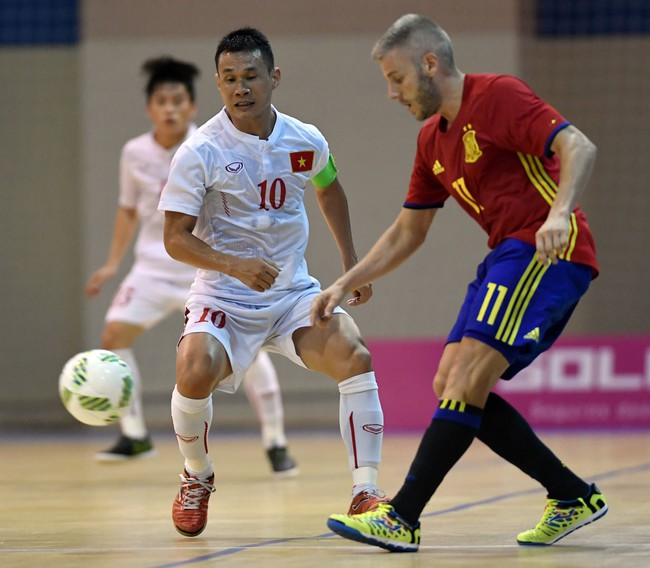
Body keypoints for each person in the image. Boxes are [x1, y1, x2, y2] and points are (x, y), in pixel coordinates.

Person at [315, 14, 608, 553]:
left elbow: (579, 147)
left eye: (397, 78)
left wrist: (560, 212)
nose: (391, 94)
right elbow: (409, 231)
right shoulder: (431, 140)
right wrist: (343, 283)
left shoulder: (497, 95)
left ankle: (401, 517)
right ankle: (570, 495)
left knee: (466, 377)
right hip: (507, 254)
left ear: (430, 64)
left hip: (548, 249)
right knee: (451, 380)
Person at [158, 28, 386, 538]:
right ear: (218, 84)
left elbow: (329, 190)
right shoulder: (200, 151)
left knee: (355, 356)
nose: (241, 88)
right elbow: (174, 238)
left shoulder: (306, 139)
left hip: (291, 295)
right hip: (224, 294)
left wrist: (350, 265)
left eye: (251, 76)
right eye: (229, 79)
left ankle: (365, 491)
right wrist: (233, 265)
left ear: (273, 78)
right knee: (193, 370)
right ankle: (197, 476)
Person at [86, 56, 298, 477]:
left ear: (191, 107)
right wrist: (112, 264)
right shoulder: (134, 153)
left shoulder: (208, 144)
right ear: (150, 108)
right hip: (153, 266)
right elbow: (127, 211)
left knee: (248, 352)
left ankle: (276, 442)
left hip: (204, 265)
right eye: (161, 101)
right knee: (113, 334)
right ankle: (134, 435)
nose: (169, 109)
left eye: (177, 101)